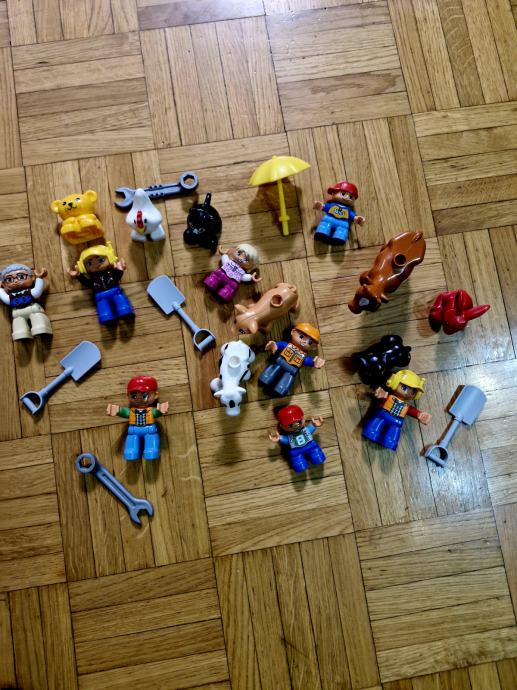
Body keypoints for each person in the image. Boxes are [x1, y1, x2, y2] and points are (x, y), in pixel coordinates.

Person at [362, 369, 431, 451]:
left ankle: (390, 441)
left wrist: (419, 414)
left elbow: (411, 410)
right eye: (404, 387)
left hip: (396, 423)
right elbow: (384, 398)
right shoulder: (389, 397)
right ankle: (371, 432)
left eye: (413, 392)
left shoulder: (406, 406)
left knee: (393, 434)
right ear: (395, 382)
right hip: (383, 415)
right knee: (373, 427)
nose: (407, 393)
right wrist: (382, 395)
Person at [68, 242, 134, 325]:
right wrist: (78, 275)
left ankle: (125, 311)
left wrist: (120, 269)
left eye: (101, 260)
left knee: (123, 304)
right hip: (101, 297)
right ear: (83, 267)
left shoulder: (110, 272)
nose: (96, 265)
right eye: (90, 263)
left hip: (115, 292)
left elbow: (116, 277)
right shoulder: (93, 278)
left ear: (110, 257)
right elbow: (87, 283)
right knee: (104, 310)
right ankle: (106, 317)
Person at [107, 376, 169, 461]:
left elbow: (156, 412)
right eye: (134, 396)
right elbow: (125, 412)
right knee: (131, 443)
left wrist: (161, 410)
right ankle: (131, 451)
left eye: (144, 396)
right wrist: (118, 410)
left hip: (149, 431)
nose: (139, 399)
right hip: (133, 431)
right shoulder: (131, 411)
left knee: (151, 442)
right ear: (128, 396)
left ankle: (151, 450)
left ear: (155, 395)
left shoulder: (151, 411)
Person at [259, 323, 325, 397]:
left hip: (291, 370)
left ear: (314, 347)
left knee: (287, 378)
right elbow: (279, 344)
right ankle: (265, 378)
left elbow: (307, 361)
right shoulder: (286, 345)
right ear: (292, 332)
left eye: (309, 342)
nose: (304, 342)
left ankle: (281, 389)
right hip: (280, 362)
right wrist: (274, 345)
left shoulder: (303, 356)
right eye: (301, 336)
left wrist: (314, 362)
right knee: (273, 369)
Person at [0, 263, 52, 340]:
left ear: (32, 277)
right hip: (17, 314)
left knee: (39, 321)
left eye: (21, 277)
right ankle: (21, 333)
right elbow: (5, 299)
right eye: (9, 279)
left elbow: (37, 292)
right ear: (4, 284)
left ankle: (41, 328)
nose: (16, 281)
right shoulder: (11, 296)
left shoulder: (29, 292)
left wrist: (39, 278)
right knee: (19, 328)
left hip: (33, 309)